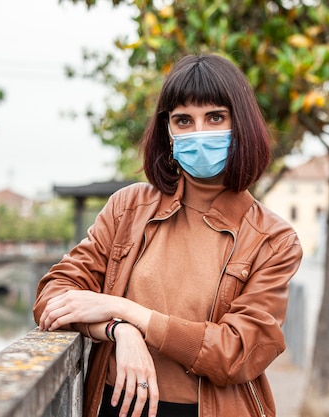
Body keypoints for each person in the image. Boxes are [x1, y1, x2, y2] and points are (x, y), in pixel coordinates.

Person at [33, 53, 303, 417]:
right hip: (114, 406)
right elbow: (54, 296)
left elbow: (237, 352)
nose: (199, 133)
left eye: (215, 117)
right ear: (169, 132)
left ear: (242, 125)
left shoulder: (273, 239)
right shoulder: (127, 208)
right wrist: (118, 328)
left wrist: (131, 312)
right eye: (183, 120)